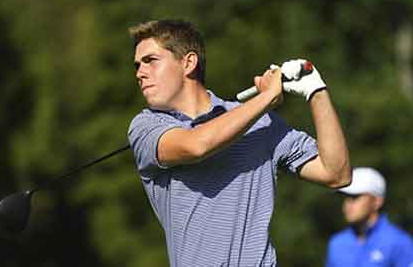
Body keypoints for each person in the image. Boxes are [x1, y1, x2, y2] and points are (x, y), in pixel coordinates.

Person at [127, 19, 351, 267]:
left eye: (150, 61)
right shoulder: (145, 127)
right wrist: (266, 98)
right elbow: (196, 146)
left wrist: (316, 92)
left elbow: (336, 173)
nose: (140, 72)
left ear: (188, 63)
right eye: (137, 65)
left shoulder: (260, 122)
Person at [326, 167, 413, 267]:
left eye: (355, 197)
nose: (347, 204)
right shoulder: (336, 244)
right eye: (345, 197)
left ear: (377, 201)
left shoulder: (399, 243)